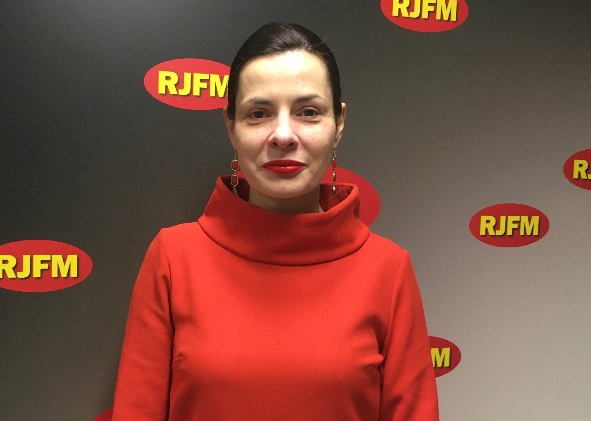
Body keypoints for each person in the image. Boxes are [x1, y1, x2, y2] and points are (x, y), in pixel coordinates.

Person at [112, 22, 439, 420]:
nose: (283, 135)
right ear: (230, 126)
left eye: (308, 112)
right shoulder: (172, 259)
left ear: (339, 124)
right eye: (259, 113)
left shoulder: (388, 270)